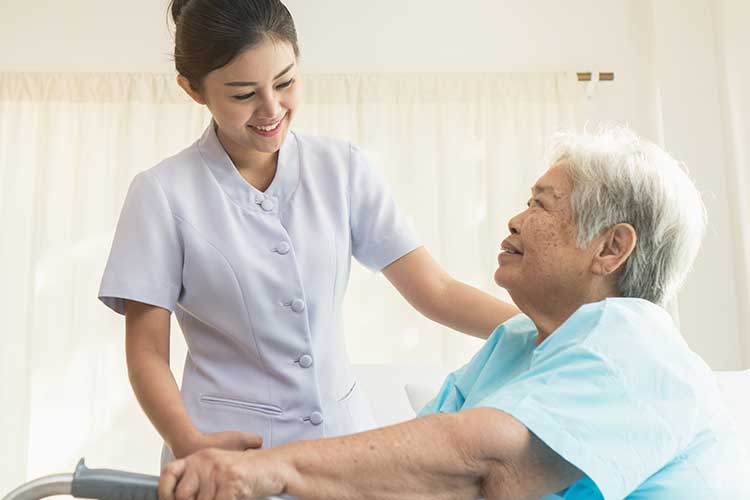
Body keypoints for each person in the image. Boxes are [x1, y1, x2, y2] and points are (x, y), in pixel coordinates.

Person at [158, 127, 750, 499]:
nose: (516, 220)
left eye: (541, 206)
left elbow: (479, 463)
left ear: (611, 248)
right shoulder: (516, 344)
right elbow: (406, 476)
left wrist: (273, 470)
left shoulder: (636, 339)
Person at [98, 0, 518, 465]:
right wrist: (185, 440)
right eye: (243, 94)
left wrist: (548, 330)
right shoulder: (161, 193)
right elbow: (147, 352)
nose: (271, 108)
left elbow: (435, 289)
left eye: (286, 82)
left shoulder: (342, 168)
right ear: (193, 90)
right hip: (224, 455)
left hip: (344, 451)